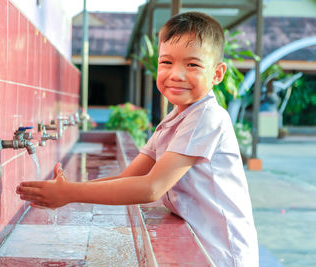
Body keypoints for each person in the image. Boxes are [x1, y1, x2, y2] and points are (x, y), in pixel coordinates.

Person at [17, 12, 258, 266]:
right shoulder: (174, 119)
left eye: (192, 65)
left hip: (222, 255)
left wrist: (71, 193)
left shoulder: (206, 117)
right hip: (200, 249)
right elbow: (129, 179)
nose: (176, 74)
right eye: (166, 62)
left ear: (217, 74)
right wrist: (69, 189)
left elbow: (151, 188)